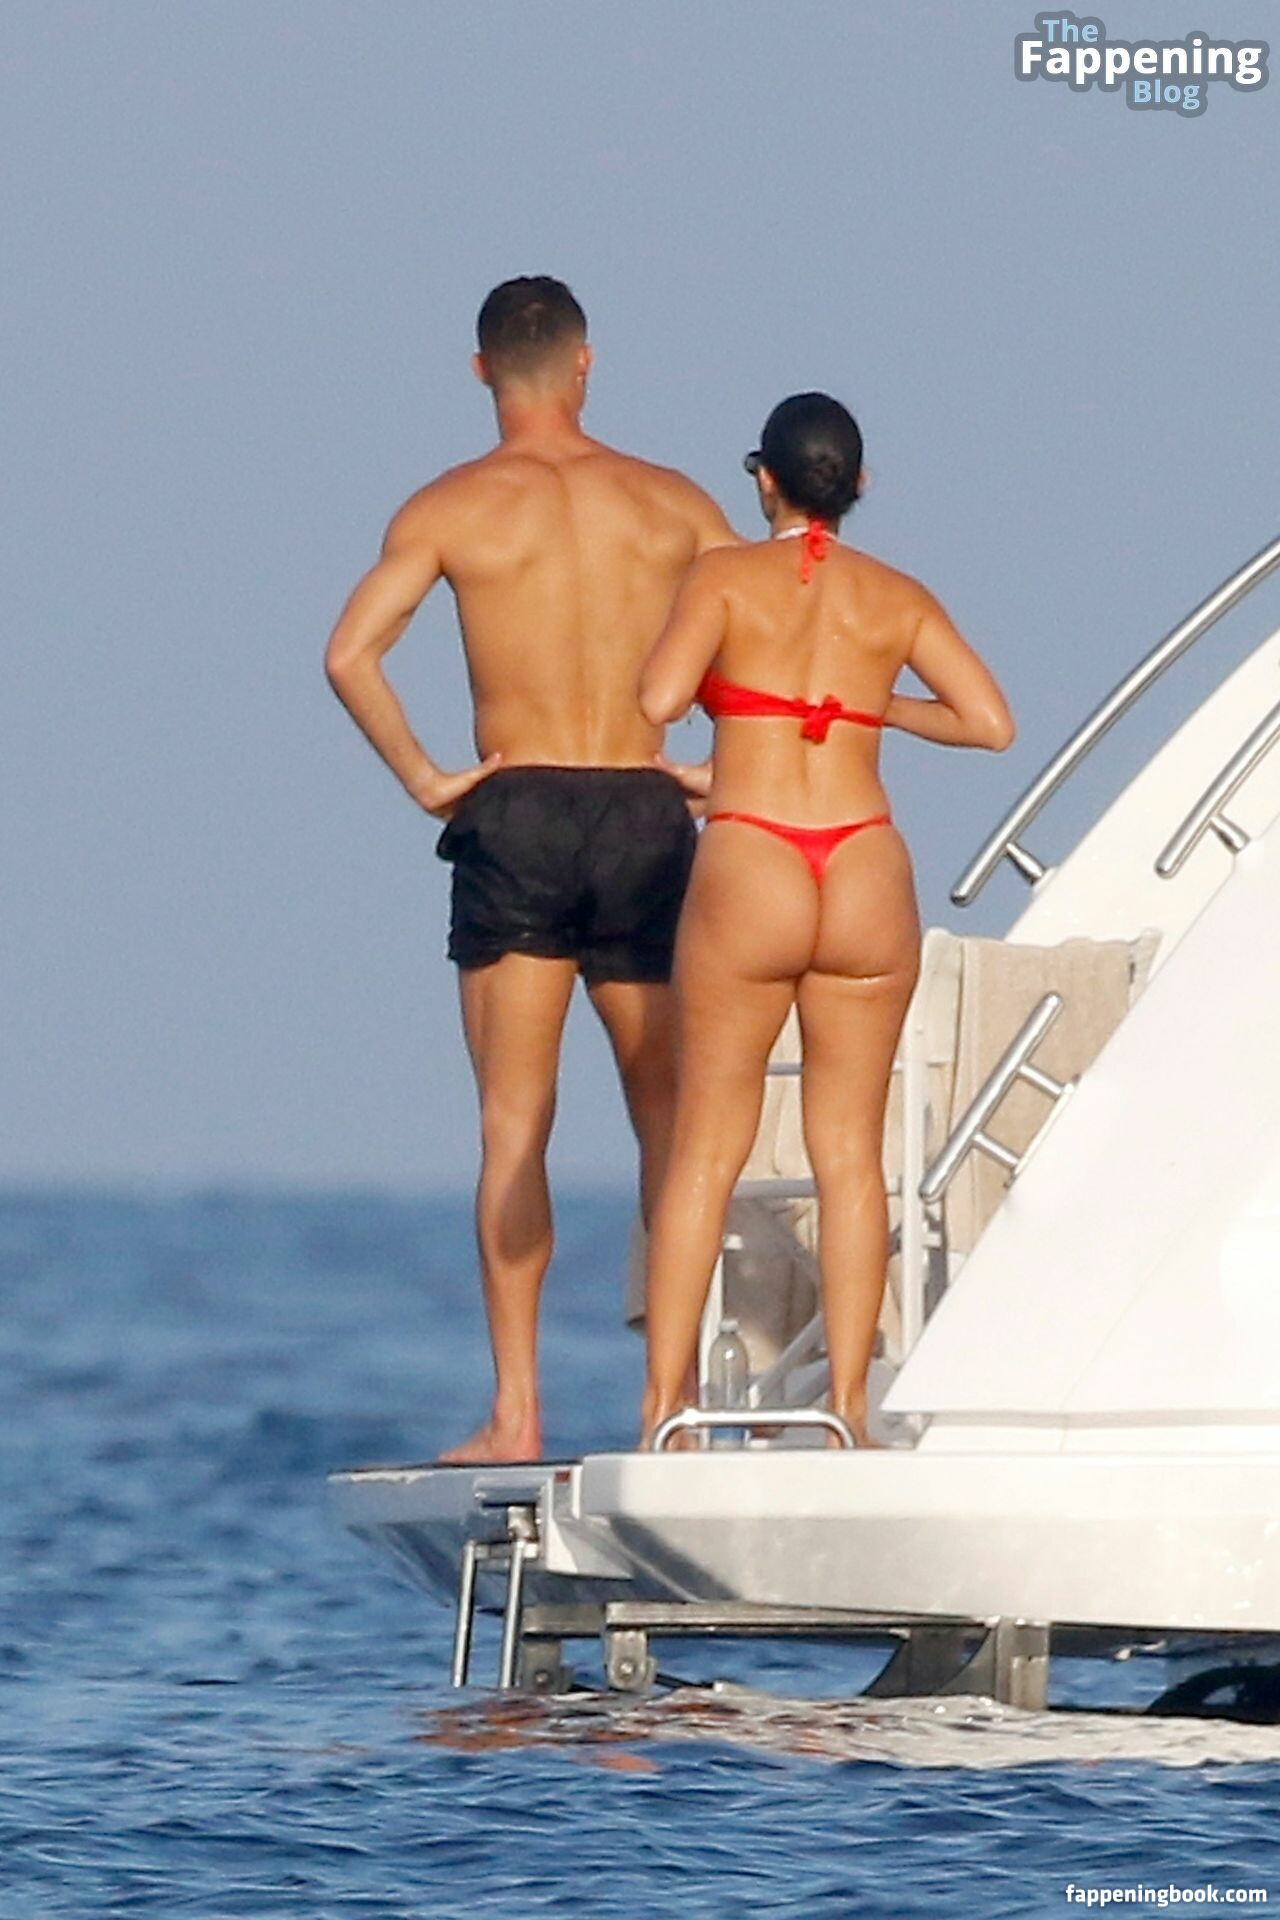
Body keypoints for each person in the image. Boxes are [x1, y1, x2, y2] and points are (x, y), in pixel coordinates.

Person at [324, 277, 737, 1464]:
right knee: (668, 1122)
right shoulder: (673, 503)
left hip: (513, 811)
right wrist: (724, 766)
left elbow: (349, 655)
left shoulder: (452, 506)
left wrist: (424, 777)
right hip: (642, 806)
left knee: (514, 1124)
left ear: (479, 371)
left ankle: (515, 1414)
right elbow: (774, 630)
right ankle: (672, 1412)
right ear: (585, 363)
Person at [637, 392, 1015, 1447]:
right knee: (850, 1154)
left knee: (704, 1151)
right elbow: (990, 724)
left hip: (753, 853)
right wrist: (868, 702)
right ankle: (848, 1407)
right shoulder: (896, 596)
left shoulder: (722, 578)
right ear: (859, 486)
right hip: (862, 862)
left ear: (763, 479)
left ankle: (665, 1411)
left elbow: (658, 697)